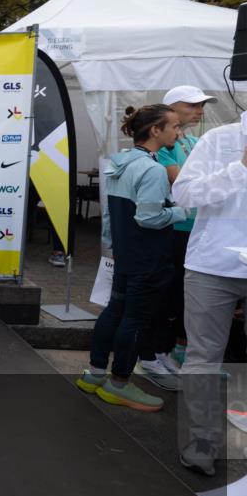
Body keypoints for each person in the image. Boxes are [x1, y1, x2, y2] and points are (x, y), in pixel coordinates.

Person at [76, 104, 184, 411]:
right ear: (155, 130)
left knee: (115, 311)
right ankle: (120, 384)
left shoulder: (119, 163)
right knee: (135, 320)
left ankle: (95, 375)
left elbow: (111, 214)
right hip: (148, 257)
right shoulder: (152, 170)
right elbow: (149, 218)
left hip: (126, 253)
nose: (179, 132)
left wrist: (113, 246)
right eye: (175, 126)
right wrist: (182, 210)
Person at [172, 113, 247, 476]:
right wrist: (239, 168)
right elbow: (183, 193)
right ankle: (203, 440)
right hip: (212, 266)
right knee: (203, 357)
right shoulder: (220, 139)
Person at [156, 85, 217, 369]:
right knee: (171, 292)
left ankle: (180, 349)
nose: (199, 111)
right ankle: (160, 352)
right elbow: (180, 183)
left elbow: (207, 181)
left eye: (201, 106)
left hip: (197, 228)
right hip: (174, 229)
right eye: (192, 105)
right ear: (171, 109)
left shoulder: (193, 142)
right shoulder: (164, 145)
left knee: (190, 293)